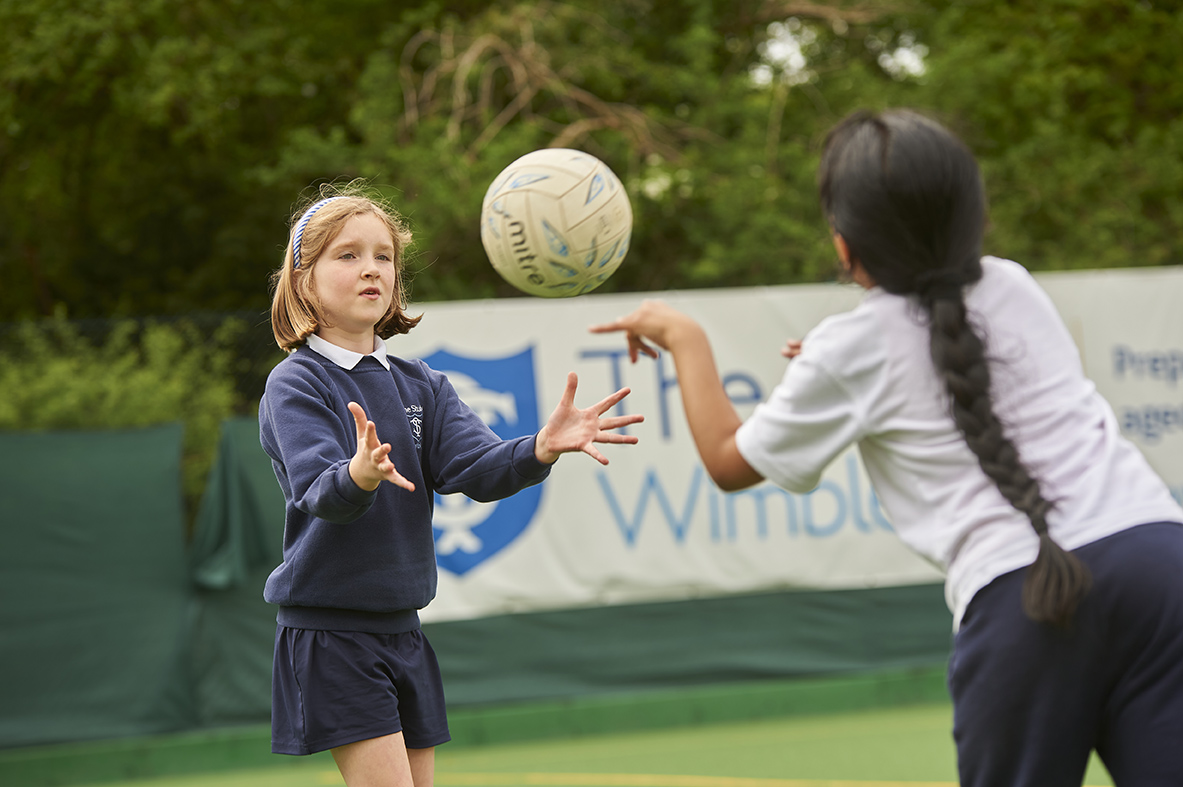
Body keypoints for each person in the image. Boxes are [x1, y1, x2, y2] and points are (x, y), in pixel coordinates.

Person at [591, 109, 1183, 787]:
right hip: (1159, 562)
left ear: (844, 247)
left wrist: (682, 335)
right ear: (974, 217)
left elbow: (729, 461)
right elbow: (925, 352)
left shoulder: (850, 348)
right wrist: (834, 361)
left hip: (1026, 601)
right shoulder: (1014, 284)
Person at [260, 186, 643, 787]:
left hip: (404, 631)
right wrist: (358, 476)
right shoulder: (297, 383)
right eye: (347, 255)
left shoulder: (422, 385)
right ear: (303, 279)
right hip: (332, 634)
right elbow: (320, 492)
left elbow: (481, 470)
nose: (371, 269)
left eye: (383, 256)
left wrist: (540, 447)